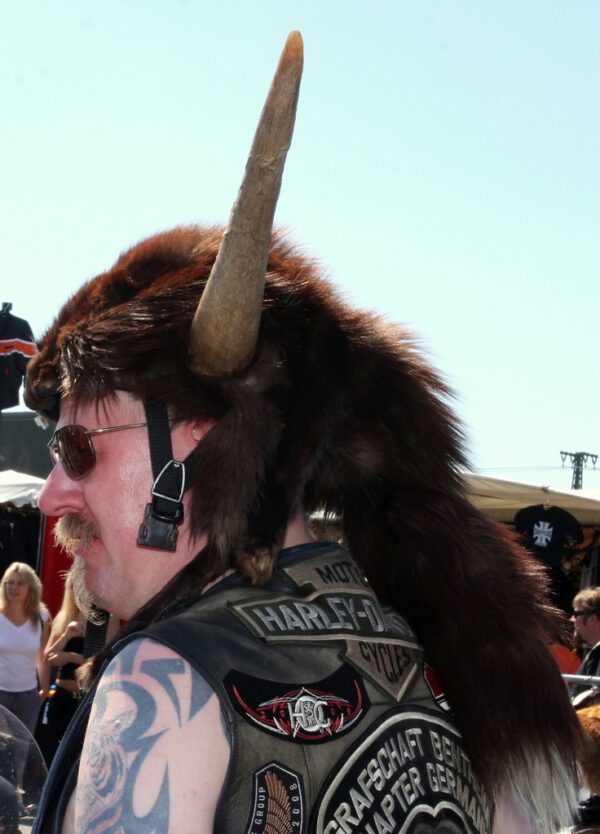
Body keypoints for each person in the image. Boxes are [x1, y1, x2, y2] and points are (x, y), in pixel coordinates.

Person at [24, 32, 583, 834]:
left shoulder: (163, 685)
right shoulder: (449, 671)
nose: (52, 494)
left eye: (78, 450)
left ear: (200, 438)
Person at [34, 578, 85, 767]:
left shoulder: (104, 620)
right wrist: (67, 636)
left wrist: (70, 657)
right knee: (50, 755)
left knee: (76, 761)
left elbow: (102, 660)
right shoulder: (63, 618)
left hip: (84, 699)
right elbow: (47, 657)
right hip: (60, 697)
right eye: (75, 586)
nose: (80, 591)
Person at [0, 563, 51, 736]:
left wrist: (43, 690)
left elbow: (42, 656)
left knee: (20, 754)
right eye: (10, 582)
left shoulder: (42, 617)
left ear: (31, 588)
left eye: (20, 583)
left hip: (27, 697)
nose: (14, 587)